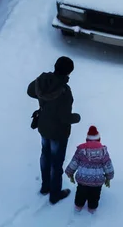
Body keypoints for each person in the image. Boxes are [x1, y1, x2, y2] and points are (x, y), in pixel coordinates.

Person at [27, 56, 81, 204]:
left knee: (45, 156)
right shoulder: (64, 91)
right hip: (58, 132)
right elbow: (64, 117)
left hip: (44, 126)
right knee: (56, 164)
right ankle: (55, 194)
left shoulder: (43, 80)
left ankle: (45, 187)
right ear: (68, 72)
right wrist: (76, 118)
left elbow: (30, 91)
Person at [65, 126, 115, 214]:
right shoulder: (103, 151)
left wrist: (70, 172)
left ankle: (78, 205)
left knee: (81, 193)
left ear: (87, 140)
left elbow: (74, 162)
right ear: (99, 139)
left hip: (82, 179)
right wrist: (109, 177)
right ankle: (92, 208)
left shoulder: (81, 150)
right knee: (95, 195)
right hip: (97, 181)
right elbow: (108, 165)